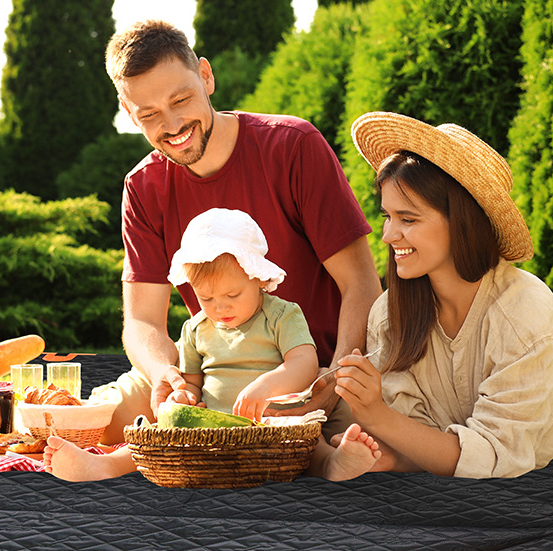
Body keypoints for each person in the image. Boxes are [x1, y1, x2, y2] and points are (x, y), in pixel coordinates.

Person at [96, 20, 383, 443]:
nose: (173, 125)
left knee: (343, 451)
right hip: (208, 377)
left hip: (311, 369)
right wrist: (166, 377)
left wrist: (336, 380)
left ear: (206, 77)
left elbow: (361, 282)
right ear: (128, 112)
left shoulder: (293, 146)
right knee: (93, 423)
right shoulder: (143, 187)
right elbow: (141, 320)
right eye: (150, 115)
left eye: (181, 99)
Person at [328, 111, 553, 478]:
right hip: (458, 416)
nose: (387, 236)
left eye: (408, 219)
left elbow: (498, 455)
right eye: (387, 216)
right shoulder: (389, 313)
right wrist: (386, 453)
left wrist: (379, 418)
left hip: (550, 415)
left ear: (462, 221)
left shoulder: (525, 311)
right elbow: (416, 431)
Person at [44, 209, 382, 482]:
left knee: (306, 441)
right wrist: (183, 397)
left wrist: (264, 388)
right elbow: (192, 382)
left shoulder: (281, 315)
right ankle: (104, 466)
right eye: (206, 298)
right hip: (213, 428)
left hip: (273, 420)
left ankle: (334, 464)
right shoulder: (196, 328)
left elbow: (304, 363)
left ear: (259, 278)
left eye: (232, 295)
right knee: (159, 439)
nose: (220, 307)